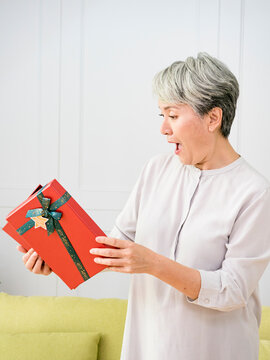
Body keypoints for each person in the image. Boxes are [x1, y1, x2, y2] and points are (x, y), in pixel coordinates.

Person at [18, 52, 270, 360]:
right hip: (149, 348)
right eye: (161, 115)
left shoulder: (254, 192)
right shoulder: (156, 170)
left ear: (213, 118)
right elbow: (114, 247)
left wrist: (152, 263)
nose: (164, 129)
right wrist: (56, 257)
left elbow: (232, 289)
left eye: (173, 116)